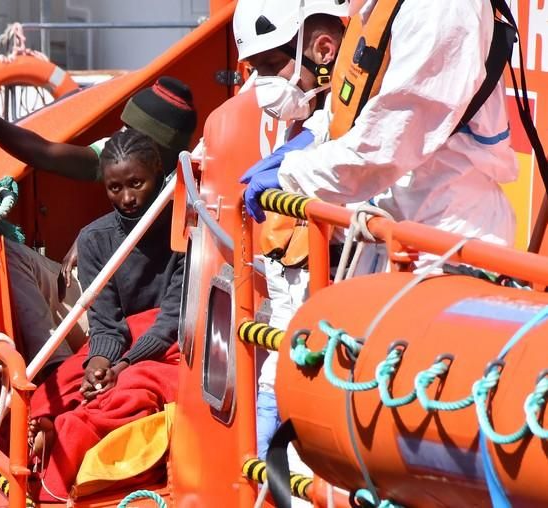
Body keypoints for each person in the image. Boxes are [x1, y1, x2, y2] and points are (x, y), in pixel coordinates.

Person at [0, 77, 197, 368]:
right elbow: (46, 153)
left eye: (134, 132)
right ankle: (56, 369)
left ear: (160, 156)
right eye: (125, 128)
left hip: (150, 322)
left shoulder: (193, 189)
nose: (122, 137)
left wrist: (92, 234)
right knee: (9, 255)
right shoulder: (119, 151)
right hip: (102, 310)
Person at [241, 0, 518, 267]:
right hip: (394, 234)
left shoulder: (440, 8)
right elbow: (359, 95)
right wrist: (312, 135)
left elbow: (390, 142)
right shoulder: (383, 6)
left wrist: (291, 174)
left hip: (446, 246)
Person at [26, 128, 184, 502]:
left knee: (126, 394)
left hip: (172, 344)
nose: (127, 198)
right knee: (59, 387)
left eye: (136, 183)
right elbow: (106, 322)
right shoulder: (97, 239)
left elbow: (175, 316)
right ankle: (50, 427)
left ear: (158, 172)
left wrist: (125, 365)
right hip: (127, 341)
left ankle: (62, 461)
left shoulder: (186, 226)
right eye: (115, 188)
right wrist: (99, 364)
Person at [233, 0, 347, 464]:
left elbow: (362, 145)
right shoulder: (322, 99)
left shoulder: (374, 75)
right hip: (296, 266)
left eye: (270, 66)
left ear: (322, 46)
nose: (264, 85)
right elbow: (333, 121)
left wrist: (292, 168)